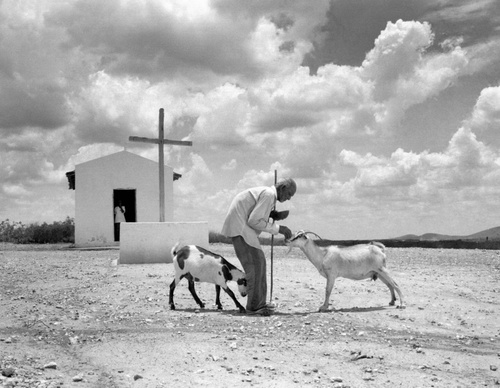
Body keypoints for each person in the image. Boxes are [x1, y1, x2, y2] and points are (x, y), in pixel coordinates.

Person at [221, 178, 296, 316]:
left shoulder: (268, 195)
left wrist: (272, 215)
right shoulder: (269, 195)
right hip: (241, 227)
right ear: (283, 187)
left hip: (240, 226)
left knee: (259, 262)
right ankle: (254, 306)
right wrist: (279, 228)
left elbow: (255, 213)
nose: (288, 198)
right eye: (289, 194)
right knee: (255, 266)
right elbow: (254, 220)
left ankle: (259, 303)